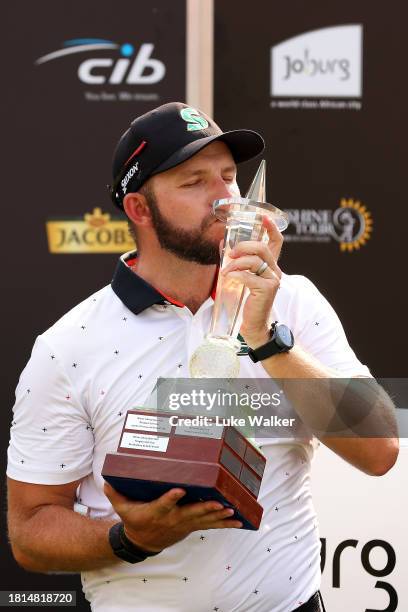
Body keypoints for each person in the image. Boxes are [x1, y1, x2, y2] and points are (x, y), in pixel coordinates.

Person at [7, 102, 398, 612]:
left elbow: (379, 450)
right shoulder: (69, 346)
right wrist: (130, 540)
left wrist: (267, 338)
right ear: (139, 210)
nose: (225, 200)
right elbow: (31, 530)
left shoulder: (295, 301)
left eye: (229, 177)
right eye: (194, 182)